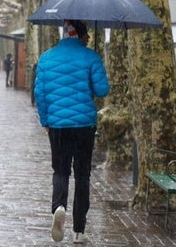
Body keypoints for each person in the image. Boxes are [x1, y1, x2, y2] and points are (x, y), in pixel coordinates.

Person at [34, 20, 110, 244]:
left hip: (57, 126)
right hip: (84, 126)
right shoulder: (91, 57)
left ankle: (58, 207)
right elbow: (102, 89)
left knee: (60, 171)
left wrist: (46, 121)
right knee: (83, 175)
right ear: (82, 35)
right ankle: (79, 230)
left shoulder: (46, 58)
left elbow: (40, 94)